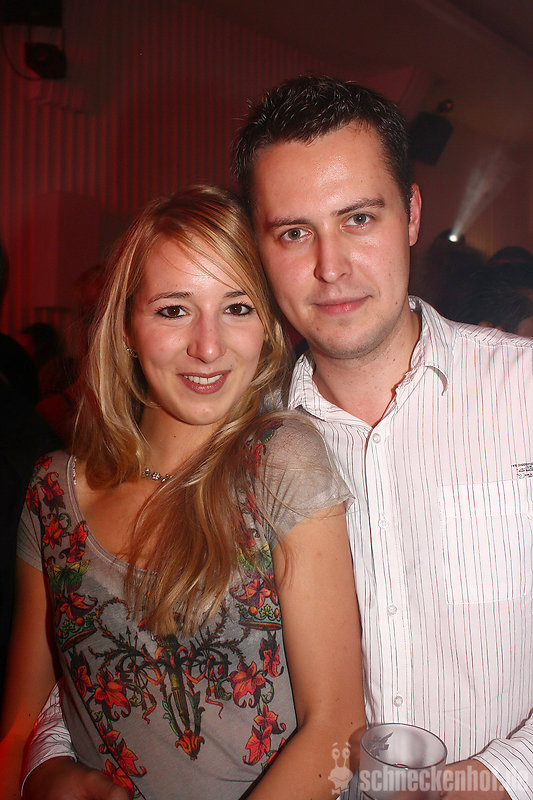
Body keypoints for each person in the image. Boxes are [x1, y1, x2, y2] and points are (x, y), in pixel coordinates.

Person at [16, 76, 533, 799]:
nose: (330, 266)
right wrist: (46, 765)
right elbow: (101, 647)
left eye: (359, 218)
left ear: (412, 214)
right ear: (258, 250)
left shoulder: (521, 394)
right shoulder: (239, 442)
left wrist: (495, 780)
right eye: (294, 232)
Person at [0, 186, 364, 799]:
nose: (208, 346)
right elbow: (18, 727)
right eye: (173, 310)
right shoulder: (52, 493)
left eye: (238, 307)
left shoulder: (280, 462)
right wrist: (40, 778)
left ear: (268, 327)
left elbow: (338, 727)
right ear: (126, 327)